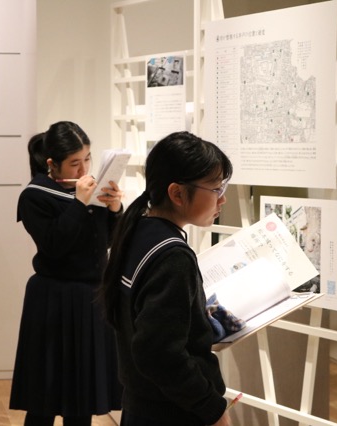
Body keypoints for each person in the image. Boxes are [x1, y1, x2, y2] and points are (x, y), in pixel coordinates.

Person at [100, 131, 233, 426]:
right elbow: (158, 352)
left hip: (142, 403)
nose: (222, 199)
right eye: (216, 189)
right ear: (177, 193)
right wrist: (212, 408)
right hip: (170, 411)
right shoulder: (173, 256)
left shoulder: (138, 230)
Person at [10, 121, 123, 426]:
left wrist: (115, 208)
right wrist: (80, 203)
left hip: (91, 298)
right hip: (52, 299)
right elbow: (54, 245)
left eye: (87, 159)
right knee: (43, 398)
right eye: (75, 163)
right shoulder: (34, 196)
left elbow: (107, 241)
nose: (83, 169)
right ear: (52, 163)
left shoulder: (88, 189)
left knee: (82, 399)